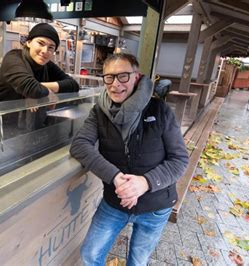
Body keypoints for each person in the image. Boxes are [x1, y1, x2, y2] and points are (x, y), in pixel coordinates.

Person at [70, 53, 189, 266]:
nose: (115, 84)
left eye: (123, 76)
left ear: (137, 77)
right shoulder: (99, 111)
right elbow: (80, 145)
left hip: (156, 204)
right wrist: (115, 177)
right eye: (109, 77)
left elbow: (179, 159)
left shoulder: (159, 110)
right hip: (115, 201)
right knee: (90, 253)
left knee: (138, 260)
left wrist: (144, 183)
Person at [0, 23, 79, 103]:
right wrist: (47, 92)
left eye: (51, 47)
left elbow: (73, 85)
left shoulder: (47, 65)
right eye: (41, 43)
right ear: (28, 42)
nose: (45, 51)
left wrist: (41, 87)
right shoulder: (13, 58)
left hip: (18, 119)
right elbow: (31, 88)